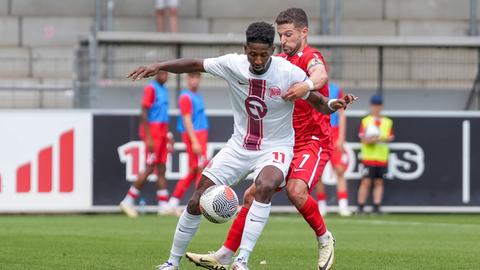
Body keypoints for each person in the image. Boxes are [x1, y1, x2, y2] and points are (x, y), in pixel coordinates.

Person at [127, 22, 354, 270]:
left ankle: (241, 260)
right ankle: (172, 262)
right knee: (196, 199)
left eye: (263, 55)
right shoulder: (232, 64)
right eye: (252, 54)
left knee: (264, 186)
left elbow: (318, 102)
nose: (257, 60)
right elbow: (194, 64)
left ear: (272, 50)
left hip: (276, 147)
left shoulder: (287, 71)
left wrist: (334, 105)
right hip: (239, 146)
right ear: (245, 48)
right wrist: (159, 66)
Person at [119, 71, 173, 217]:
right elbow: (144, 111)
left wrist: (168, 135)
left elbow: (162, 114)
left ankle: (163, 205)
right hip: (153, 132)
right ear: (156, 74)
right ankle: (127, 201)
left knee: (162, 167)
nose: (165, 75)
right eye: (162, 73)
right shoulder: (151, 88)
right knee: (150, 167)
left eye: (167, 73)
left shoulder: (164, 89)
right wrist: (148, 137)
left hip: (162, 132)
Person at [165, 72, 209, 215]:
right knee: (201, 167)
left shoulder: (198, 96)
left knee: (194, 169)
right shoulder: (186, 97)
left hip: (201, 134)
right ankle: (198, 202)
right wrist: (195, 141)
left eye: (196, 76)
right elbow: (187, 120)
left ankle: (173, 202)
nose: (194, 80)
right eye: (191, 77)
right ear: (187, 79)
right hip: (194, 136)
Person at [316, 82, 351, 217]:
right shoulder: (311, 86)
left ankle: (343, 205)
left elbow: (342, 113)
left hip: (334, 131)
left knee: (340, 169)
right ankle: (321, 204)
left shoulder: (336, 89)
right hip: (319, 130)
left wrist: (341, 137)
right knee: (317, 172)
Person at [357, 94, 394, 214]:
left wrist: (379, 138)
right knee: (366, 182)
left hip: (381, 157)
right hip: (368, 157)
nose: (376, 107)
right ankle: (361, 206)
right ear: (371, 105)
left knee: (379, 182)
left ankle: (377, 206)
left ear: (381, 106)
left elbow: (390, 137)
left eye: (378, 105)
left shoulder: (387, 122)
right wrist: (375, 139)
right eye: (374, 105)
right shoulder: (366, 121)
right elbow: (363, 139)